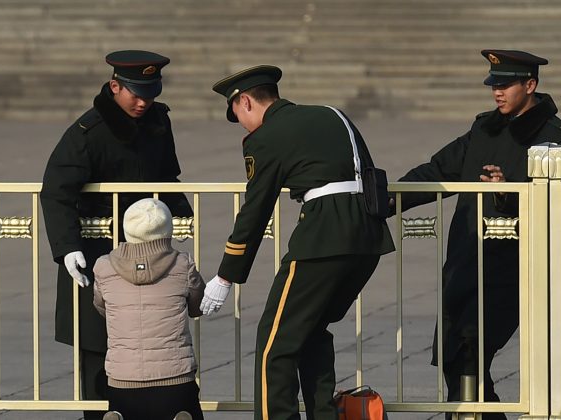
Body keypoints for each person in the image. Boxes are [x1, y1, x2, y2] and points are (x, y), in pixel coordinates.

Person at [390, 50, 561, 419]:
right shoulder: (483, 128)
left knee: (470, 354)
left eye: (505, 84)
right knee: (453, 358)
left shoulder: (557, 138)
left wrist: (507, 191)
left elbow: (555, 201)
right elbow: (437, 172)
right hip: (466, 262)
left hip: (514, 267)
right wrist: (382, 200)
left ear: (530, 85)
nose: (497, 92)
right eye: (493, 83)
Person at [201, 65, 395, 420]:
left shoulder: (267, 135)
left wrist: (226, 276)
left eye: (238, 116)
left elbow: (256, 209)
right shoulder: (331, 114)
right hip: (369, 237)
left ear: (245, 101)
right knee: (311, 331)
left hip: (323, 238)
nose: (243, 126)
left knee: (275, 344)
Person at [40, 50, 193, 420]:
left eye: (151, 93)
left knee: (155, 341)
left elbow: (165, 176)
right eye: (136, 94)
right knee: (98, 345)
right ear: (114, 87)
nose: (144, 102)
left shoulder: (158, 120)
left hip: (150, 248)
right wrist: (67, 249)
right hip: (96, 250)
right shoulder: (87, 132)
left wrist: (182, 215)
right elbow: (57, 189)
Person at [93, 198, 205, 420]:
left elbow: (101, 307)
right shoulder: (183, 264)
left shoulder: (104, 267)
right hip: (175, 378)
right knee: (186, 410)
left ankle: (118, 416)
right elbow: (197, 307)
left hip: (122, 380)